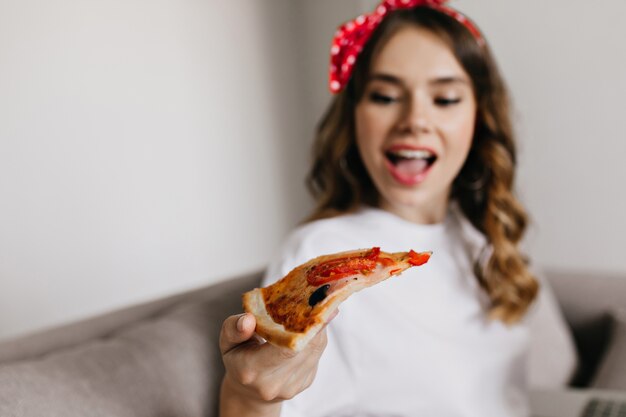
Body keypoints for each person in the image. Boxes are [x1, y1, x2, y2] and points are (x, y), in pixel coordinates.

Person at [219, 1, 575, 416]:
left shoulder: (484, 241)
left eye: (444, 98)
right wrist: (247, 396)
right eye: (385, 95)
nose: (415, 120)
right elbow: (267, 392)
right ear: (353, 116)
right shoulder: (318, 252)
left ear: (479, 118)